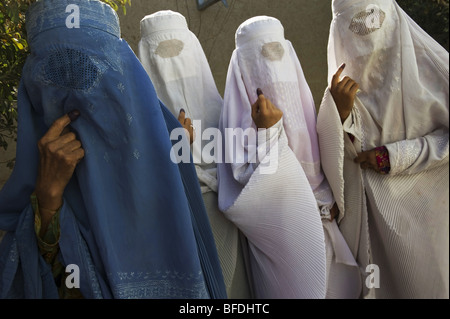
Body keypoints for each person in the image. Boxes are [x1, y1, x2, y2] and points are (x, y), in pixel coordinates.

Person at [0, 0, 226, 299]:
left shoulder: (166, 152)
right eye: (54, 72)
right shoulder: (36, 183)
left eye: (89, 71)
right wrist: (48, 199)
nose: (73, 91)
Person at [217, 16, 360, 299]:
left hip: (328, 232)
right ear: (242, 71)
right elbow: (242, 190)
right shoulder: (235, 124)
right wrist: (267, 135)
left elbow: (324, 160)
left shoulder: (306, 104)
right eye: (260, 61)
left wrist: (337, 113)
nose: (273, 73)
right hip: (282, 247)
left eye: (277, 55)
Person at [317, 0, 449, 298]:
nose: (368, 45)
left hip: (435, 223)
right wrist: (337, 116)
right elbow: (337, 167)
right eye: (355, 30)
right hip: (376, 230)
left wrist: (397, 156)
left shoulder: (433, 70)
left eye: (374, 25)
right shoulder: (339, 93)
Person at [137, 10, 252, 299]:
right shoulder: (138, 128)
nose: (173, 71)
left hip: (230, 227)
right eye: (162, 59)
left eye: (180, 55)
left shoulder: (226, 114)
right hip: (178, 237)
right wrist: (177, 156)